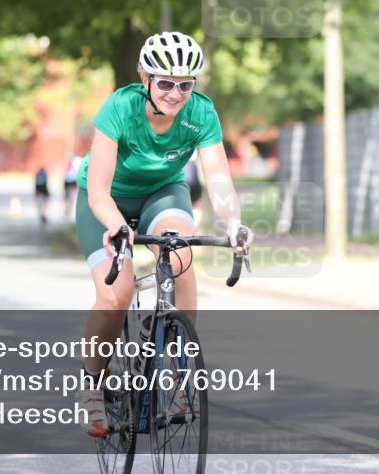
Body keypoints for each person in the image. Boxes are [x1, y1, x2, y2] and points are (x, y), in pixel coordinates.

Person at [75, 31, 252, 437]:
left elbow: (220, 181)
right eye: (166, 83)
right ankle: (91, 381)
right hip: (105, 198)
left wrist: (233, 223)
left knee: (181, 255)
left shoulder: (201, 114)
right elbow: (99, 190)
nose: (176, 93)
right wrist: (118, 227)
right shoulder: (120, 107)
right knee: (116, 293)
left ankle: (177, 368)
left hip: (161, 193)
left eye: (186, 85)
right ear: (146, 79)